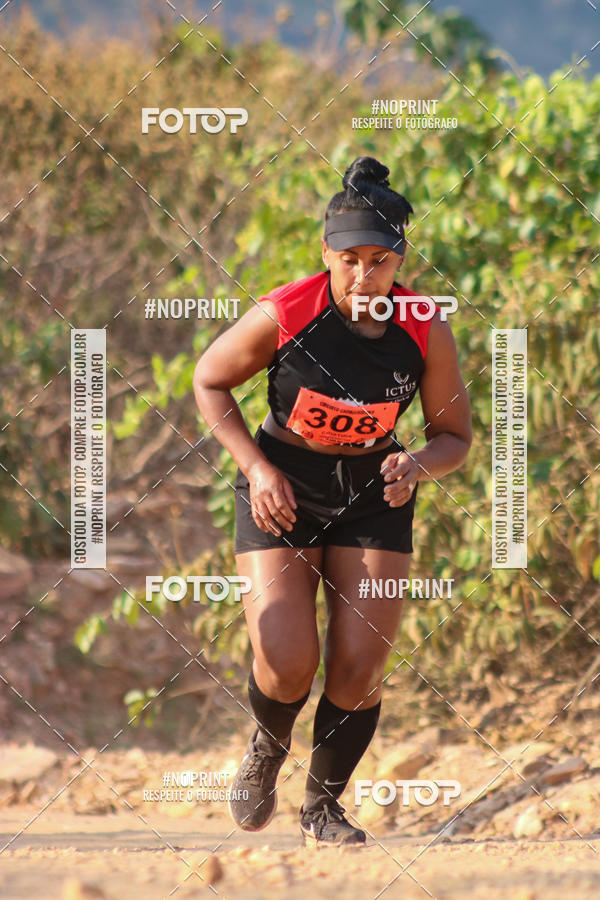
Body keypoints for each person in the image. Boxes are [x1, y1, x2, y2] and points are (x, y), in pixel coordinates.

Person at [193, 156, 472, 847]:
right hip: (284, 486)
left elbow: (454, 436)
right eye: (349, 260)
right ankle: (266, 745)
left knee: (361, 666)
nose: (363, 276)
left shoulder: (424, 326)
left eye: (379, 261)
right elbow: (208, 381)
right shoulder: (286, 311)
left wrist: (418, 463)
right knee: (287, 661)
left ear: (399, 263)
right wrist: (257, 470)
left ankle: (322, 807)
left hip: (375, 494)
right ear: (327, 254)